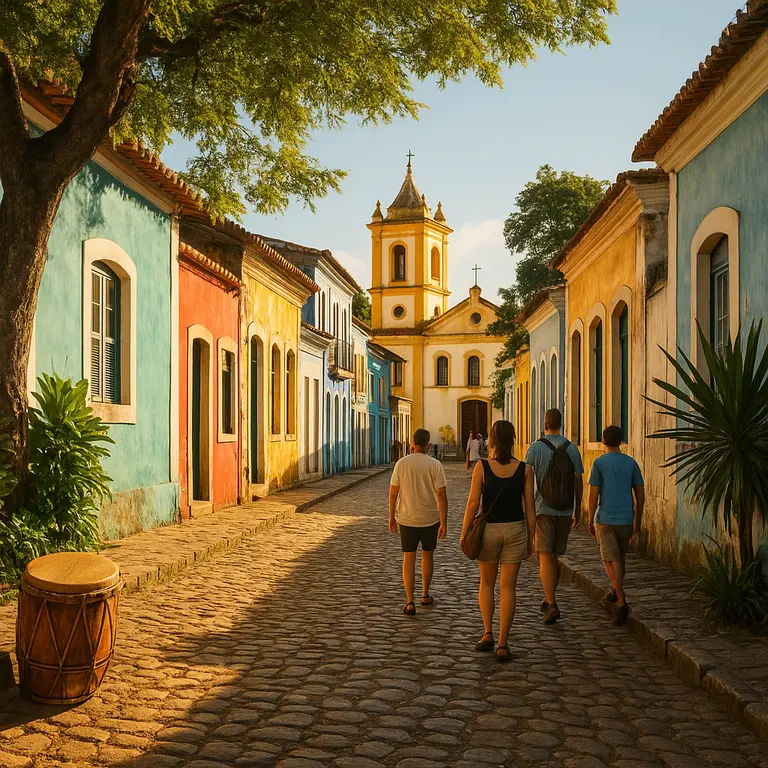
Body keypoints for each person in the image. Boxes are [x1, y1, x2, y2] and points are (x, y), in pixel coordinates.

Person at [461, 420, 535, 662]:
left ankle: (487, 633)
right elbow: (530, 508)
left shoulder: (482, 468)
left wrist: (464, 532)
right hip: (515, 529)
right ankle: (503, 642)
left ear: (491, 440)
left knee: (486, 583)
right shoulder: (525, 469)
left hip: (489, 531)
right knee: (508, 588)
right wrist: (531, 537)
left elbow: (473, 504)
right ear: (512, 439)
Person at [524, 408, 584, 625]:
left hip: (543, 509)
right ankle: (549, 596)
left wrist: (527, 511)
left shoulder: (534, 449)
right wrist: (578, 510)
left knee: (545, 555)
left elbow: (528, 482)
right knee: (554, 555)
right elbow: (578, 480)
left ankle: (552, 603)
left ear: (544, 423)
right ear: (561, 424)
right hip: (566, 510)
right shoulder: (572, 449)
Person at [587, 425, 645, 626]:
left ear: (603, 440)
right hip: (626, 518)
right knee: (619, 558)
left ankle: (621, 602)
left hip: (605, 518)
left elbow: (593, 494)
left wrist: (589, 517)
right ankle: (614, 590)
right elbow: (640, 494)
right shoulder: (631, 463)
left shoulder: (599, 463)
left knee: (608, 559)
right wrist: (638, 519)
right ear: (621, 441)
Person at [389, 428, 448, 616]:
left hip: (407, 518)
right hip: (430, 518)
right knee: (427, 556)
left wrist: (391, 516)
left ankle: (409, 601)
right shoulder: (435, 464)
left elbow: (393, 492)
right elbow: (441, 495)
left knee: (408, 558)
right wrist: (444, 521)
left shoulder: (401, 464)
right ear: (429, 446)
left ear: (412, 444)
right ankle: (425, 594)